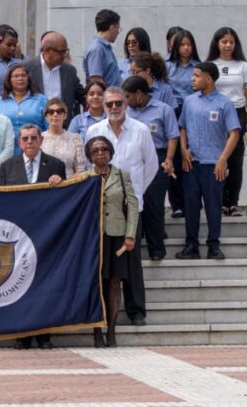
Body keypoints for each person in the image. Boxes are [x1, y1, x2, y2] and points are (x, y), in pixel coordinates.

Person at [85, 87, 157, 326]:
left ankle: (136, 311)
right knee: (104, 263)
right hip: (101, 209)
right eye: (110, 104)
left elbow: (151, 166)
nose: (114, 108)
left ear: (126, 104)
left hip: (131, 209)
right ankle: (103, 311)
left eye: (118, 103)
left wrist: (133, 194)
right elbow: (89, 165)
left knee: (132, 261)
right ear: (102, 106)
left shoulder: (141, 130)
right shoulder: (94, 130)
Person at [0, 123, 66, 350]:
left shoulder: (56, 165)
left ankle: (44, 333)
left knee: (43, 283)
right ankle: (22, 333)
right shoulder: (7, 167)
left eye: (33, 138)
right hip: (17, 236)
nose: (29, 142)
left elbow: (63, 201)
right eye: (25, 139)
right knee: (18, 283)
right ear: (19, 143)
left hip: (45, 235)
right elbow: (1, 203)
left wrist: (60, 183)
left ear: (41, 140)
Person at [177, 62, 242, 260]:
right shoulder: (189, 101)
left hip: (214, 166)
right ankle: (191, 245)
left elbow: (234, 133)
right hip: (192, 164)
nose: (192, 78)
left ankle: (213, 245)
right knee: (191, 205)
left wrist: (223, 159)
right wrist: (183, 149)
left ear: (209, 79)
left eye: (197, 76)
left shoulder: (224, 103)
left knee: (214, 206)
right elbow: (183, 128)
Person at [86, 136, 138, 348]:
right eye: (96, 150)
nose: (100, 153)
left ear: (111, 152)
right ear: (90, 154)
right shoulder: (85, 177)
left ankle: (112, 330)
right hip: (93, 236)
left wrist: (130, 234)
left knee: (114, 282)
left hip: (117, 234)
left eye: (104, 149)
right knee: (96, 282)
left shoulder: (121, 175)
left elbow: (132, 205)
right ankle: (97, 329)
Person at [121, 76, 179, 262]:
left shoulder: (164, 109)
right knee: (132, 203)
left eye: (128, 96)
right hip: (132, 159)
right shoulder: (126, 112)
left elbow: (172, 136)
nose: (126, 101)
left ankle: (157, 249)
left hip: (158, 157)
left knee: (153, 204)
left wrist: (169, 159)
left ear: (139, 94)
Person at [208, 27, 247, 216]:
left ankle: (233, 202)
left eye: (231, 42)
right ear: (217, 43)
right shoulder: (211, 65)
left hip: (238, 112)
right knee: (219, 158)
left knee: (236, 160)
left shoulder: (243, 66)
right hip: (215, 113)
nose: (228, 45)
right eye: (224, 42)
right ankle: (220, 201)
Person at [165, 29, 200, 218]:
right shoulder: (167, 66)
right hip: (173, 110)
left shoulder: (199, 66)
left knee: (191, 156)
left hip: (193, 111)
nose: (186, 48)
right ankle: (177, 203)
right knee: (174, 158)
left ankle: (192, 201)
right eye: (182, 45)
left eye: (189, 44)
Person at [24, 32, 83, 124]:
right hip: (35, 125)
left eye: (66, 51)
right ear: (48, 51)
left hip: (63, 126)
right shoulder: (27, 68)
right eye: (62, 51)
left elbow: (81, 95)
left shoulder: (70, 71)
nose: (65, 55)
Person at [0, 63, 48, 156]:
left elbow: (49, 127)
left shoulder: (41, 100)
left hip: (35, 150)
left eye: (23, 75)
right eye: (16, 76)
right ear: (9, 80)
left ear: (28, 79)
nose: (20, 78)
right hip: (5, 153)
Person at [40, 98, 86, 178]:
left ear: (65, 115)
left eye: (59, 111)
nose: (55, 114)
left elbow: (80, 169)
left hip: (69, 186)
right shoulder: (39, 138)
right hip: (44, 185)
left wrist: (67, 185)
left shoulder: (75, 138)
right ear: (46, 116)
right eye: (51, 112)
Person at [83, 8, 121, 87]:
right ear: (112, 28)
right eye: (118, 28)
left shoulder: (104, 48)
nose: (118, 32)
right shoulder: (96, 49)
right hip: (107, 98)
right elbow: (96, 81)